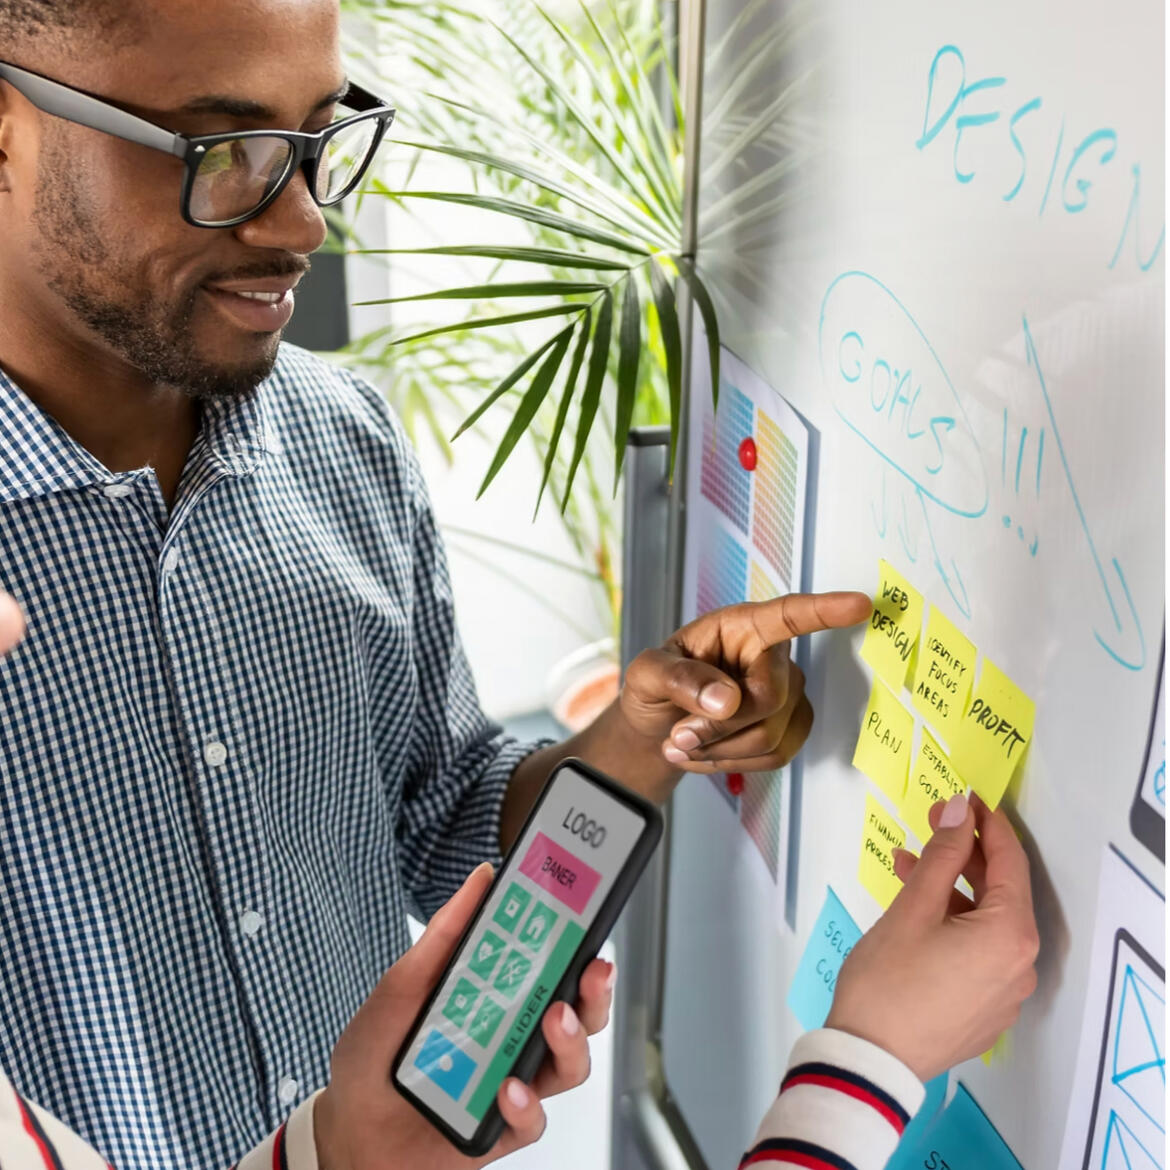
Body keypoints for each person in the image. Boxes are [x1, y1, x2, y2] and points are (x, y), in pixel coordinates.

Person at [0, 1, 878, 1166]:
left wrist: (642, 731)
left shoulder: (344, 441)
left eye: (320, 139)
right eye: (225, 152)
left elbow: (447, 810)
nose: (303, 222)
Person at [2, 576, 1040, 1170]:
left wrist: (348, 1150)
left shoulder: (337, 432)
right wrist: (865, 1064)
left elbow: (448, 803)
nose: (15, 618)